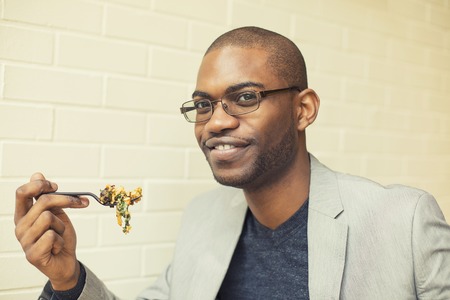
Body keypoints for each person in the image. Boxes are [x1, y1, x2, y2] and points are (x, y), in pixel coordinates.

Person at [14, 26, 450, 300]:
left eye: (245, 98)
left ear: (303, 110)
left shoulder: (404, 221)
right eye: (203, 105)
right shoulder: (203, 219)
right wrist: (68, 280)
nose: (216, 122)